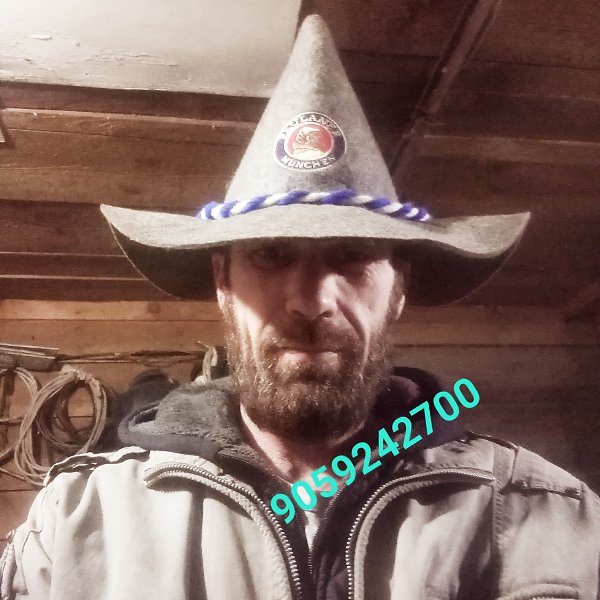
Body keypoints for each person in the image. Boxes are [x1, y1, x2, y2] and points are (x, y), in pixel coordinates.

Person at [2, 15, 599, 600]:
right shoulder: (78, 522)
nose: (311, 302)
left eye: (352, 255)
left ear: (397, 291)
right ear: (223, 282)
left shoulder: (544, 515)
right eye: (270, 254)